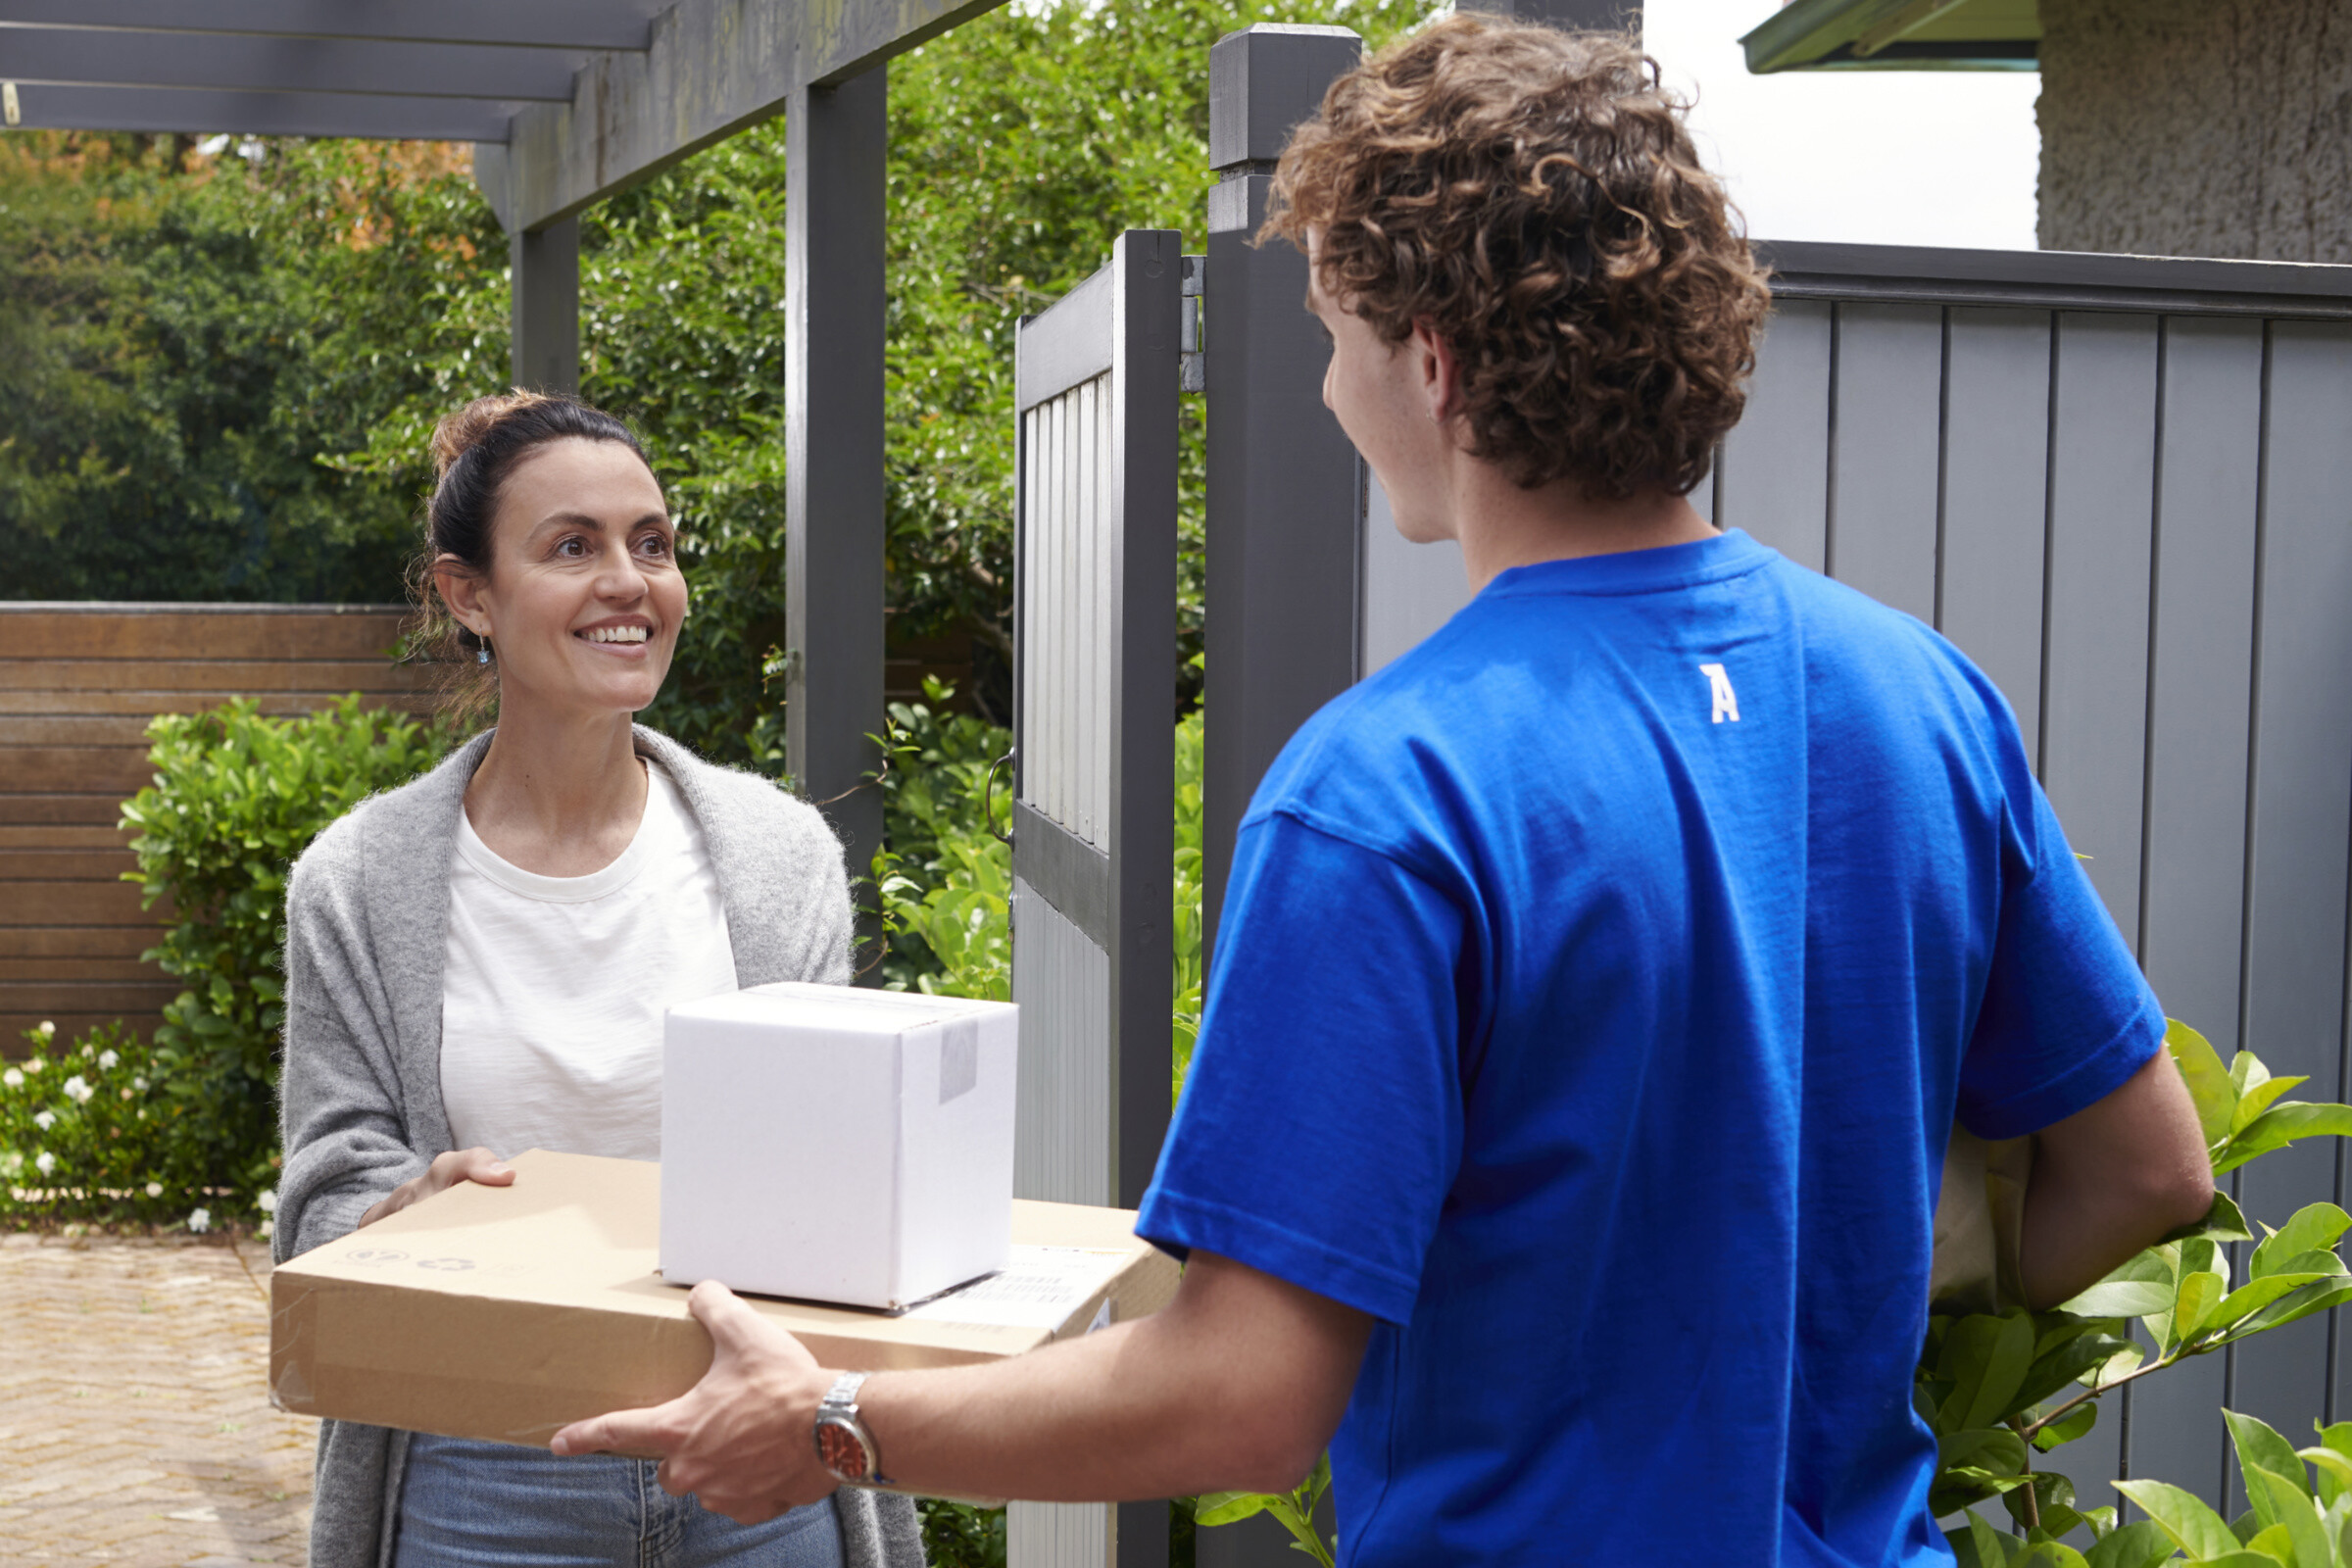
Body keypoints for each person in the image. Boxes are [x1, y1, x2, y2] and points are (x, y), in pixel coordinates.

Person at [551, 19, 2215, 1565]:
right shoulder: (1921, 698)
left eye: (1334, 340)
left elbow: (1240, 1394)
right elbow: (2146, 1173)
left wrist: (834, 1422)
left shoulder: (1394, 793)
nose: (1332, 392)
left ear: (1432, 366)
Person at [274, 393, 924, 1568]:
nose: (632, 580)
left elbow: (850, 1179)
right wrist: (397, 1207)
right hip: (482, 1470)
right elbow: (323, 1189)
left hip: (759, 1462)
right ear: (470, 594)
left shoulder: (782, 861)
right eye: (574, 546)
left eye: (654, 543)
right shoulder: (359, 882)